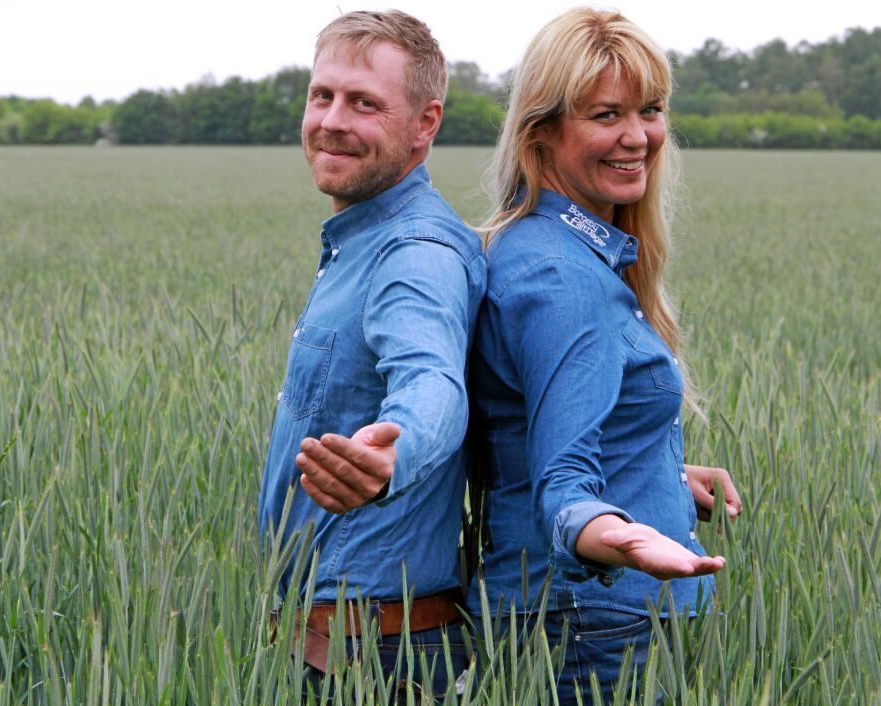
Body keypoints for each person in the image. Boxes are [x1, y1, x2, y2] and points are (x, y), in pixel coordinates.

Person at [469, 8, 742, 703]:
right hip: (592, 625)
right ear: (543, 132)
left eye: (650, 110)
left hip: (579, 617)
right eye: (605, 115)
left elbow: (544, 429)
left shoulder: (554, 255)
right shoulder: (562, 278)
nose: (637, 137)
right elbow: (564, 480)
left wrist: (654, 468)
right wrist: (620, 535)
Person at [257, 9, 485, 698]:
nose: (332, 120)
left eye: (365, 104)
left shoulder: (415, 253)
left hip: (378, 661)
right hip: (338, 645)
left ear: (425, 124)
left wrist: (393, 454)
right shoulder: (359, 240)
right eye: (322, 95)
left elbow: (432, 381)